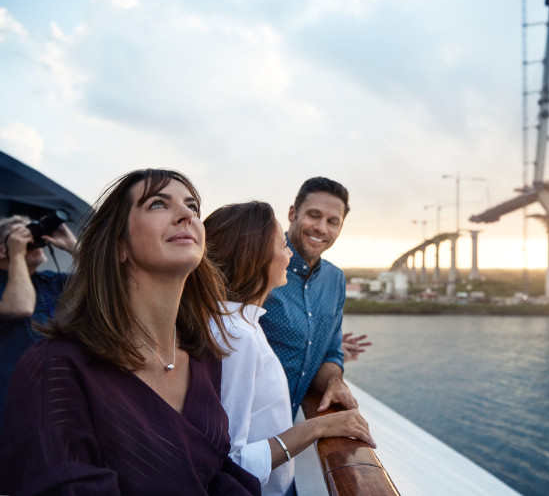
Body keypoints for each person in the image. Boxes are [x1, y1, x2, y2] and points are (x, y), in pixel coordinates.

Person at [0, 169, 259, 495]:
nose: (187, 215)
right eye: (157, 204)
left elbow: (215, 474)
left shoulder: (202, 356)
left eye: (192, 205)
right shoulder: (56, 368)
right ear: (119, 245)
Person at [205, 201, 375, 496]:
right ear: (257, 257)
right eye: (283, 245)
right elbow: (231, 460)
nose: (288, 255)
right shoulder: (238, 336)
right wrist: (320, 427)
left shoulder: (244, 325)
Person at [260, 177, 358, 417]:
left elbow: (331, 352)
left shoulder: (335, 280)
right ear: (292, 213)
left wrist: (335, 381)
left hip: (284, 430)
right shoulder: (258, 262)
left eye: (333, 221)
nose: (322, 228)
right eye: (314, 215)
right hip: (231, 428)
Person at [0, 214, 76, 422]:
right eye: (20, 235)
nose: (32, 239)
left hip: (57, 398)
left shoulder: (51, 281)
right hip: (11, 405)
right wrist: (16, 255)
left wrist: (72, 246)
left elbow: (115, 282)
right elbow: (20, 306)